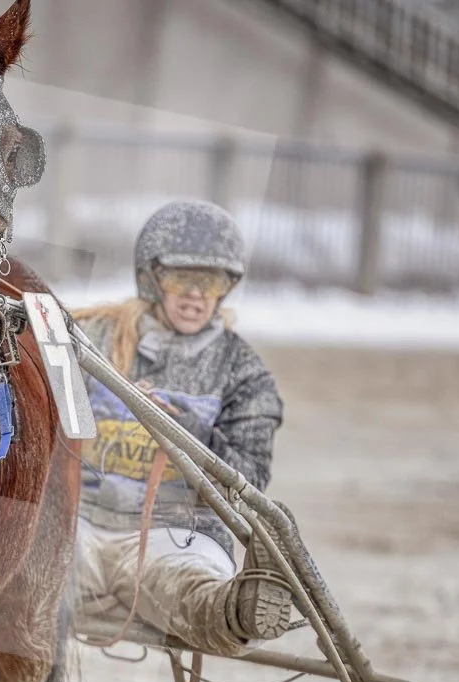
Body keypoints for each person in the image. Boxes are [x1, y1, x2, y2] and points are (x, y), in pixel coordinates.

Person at [72, 200, 293, 656]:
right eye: (181, 279)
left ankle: (239, 610)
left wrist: (194, 435)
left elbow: (251, 478)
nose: (195, 295)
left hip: (177, 534)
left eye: (210, 282)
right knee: (31, 569)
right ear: (152, 278)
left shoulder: (242, 371)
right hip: (82, 522)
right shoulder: (92, 337)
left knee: (191, 590)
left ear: (226, 289)